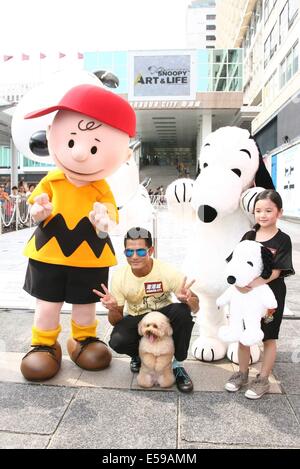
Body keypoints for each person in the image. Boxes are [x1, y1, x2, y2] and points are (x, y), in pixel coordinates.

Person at [18, 83, 136, 381]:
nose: (81, 154)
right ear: (51, 134)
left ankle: (82, 339)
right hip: (49, 253)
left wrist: (103, 220)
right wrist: (39, 211)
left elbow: (110, 214)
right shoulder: (52, 179)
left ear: (123, 155)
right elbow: (35, 205)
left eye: (95, 147)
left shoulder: (101, 187)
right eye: (71, 142)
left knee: (85, 305)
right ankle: (44, 344)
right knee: (47, 305)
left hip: (89, 256)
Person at [93, 227, 199, 393]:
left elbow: (196, 306)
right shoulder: (120, 276)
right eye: (129, 252)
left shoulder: (167, 271)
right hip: (137, 317)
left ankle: (178, 366)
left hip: (163, 314)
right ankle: (139, 356)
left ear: (150, 250)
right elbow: (116, 320)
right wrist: (113, 308)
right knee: (117, 340)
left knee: (182, 312)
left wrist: (188, 300)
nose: (134, 257)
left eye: (141, 252)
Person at [224, 190, 295, 399]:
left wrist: (253, 283)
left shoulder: (283, 240)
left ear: (279, 212)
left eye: (268, 211)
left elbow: (276, 271)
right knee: (244, 336)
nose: (262, 215)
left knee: (269, 337)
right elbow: (235, 264)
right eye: (258, 211)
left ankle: (263, 379)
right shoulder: (249, 236)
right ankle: (242, 374)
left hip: (270, 297)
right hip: (245, 296)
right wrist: (238, 284)